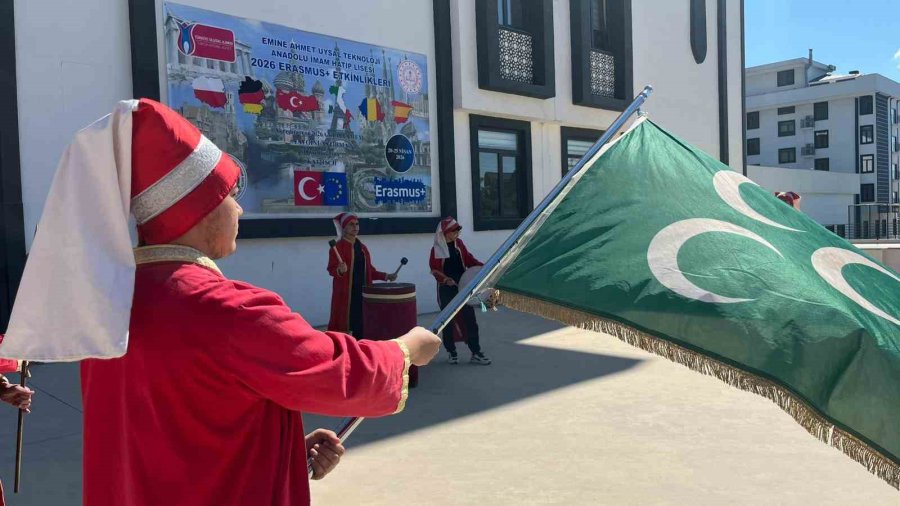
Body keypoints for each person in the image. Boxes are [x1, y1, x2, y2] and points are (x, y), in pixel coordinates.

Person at [0, 99, 441, 506]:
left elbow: (175, 433)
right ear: (200, 209)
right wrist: (408, 348)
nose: (240, 210)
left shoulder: (108, 305)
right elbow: (342, 371)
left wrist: (282, 446)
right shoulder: (225, 307)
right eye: (230, 196)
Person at [429, 217, 491, 365]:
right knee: (447, 322)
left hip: (463, 286)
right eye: (455, 230)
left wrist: (483, 267)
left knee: (470, 319)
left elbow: (468, 260)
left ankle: (475, 352)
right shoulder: (436, 249)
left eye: (458, 230)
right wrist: (446, 279)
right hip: (446, 288)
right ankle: (452, 352)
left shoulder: (459, 244)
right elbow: (434, 270)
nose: (458, 232)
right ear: (446, 233)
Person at [327, 213, 397, 337]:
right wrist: (340, 270)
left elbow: (369, 270)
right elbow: (331, 269)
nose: (355, 227)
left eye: (357, 224)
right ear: (344, 227)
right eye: (351, 224)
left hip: (363, 292)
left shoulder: (363, 248)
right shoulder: (337, 247)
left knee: (362, 323)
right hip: (346, 294)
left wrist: (386, 276)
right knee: (345, 324)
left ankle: (360, 349)